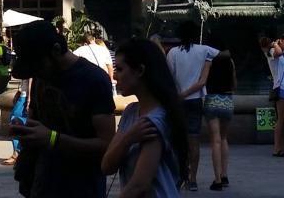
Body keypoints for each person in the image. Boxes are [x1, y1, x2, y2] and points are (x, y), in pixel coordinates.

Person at [8, 19, 115, 198]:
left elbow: (106, 144)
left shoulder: (93, 80)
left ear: (56, 50)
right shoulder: (41, 77)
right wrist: (24, 129)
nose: (35, 72)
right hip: (42, 183)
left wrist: (52, 138)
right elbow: (36, 121)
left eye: (37, 64)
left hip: (82, 187)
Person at [101, 37, 188, 198]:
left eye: (120, 69)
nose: (115, 77)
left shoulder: (154, 121)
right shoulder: (130, 112)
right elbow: (107, 166)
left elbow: (139, 185)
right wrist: (129, 138)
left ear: (140, 71)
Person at [166, 21, 221, 191]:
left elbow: (170, 76)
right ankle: (193, 179)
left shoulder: (173, 53)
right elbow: (222, 53)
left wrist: (179, 94)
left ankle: (179, 175)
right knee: (194, 140)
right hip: (195, 100)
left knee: (176, 140)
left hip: (178, 101)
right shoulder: (204, 50)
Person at [202, 47, 235, 191]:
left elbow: (202, 80)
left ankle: (217, 180)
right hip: (227, 100)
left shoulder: (209, 61)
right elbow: (234, 84)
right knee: (223, 138)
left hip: (212, 99)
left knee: (215, 140)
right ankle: (225, 175)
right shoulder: (231, 62)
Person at [268, 36, 284, 158]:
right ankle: (277, 149)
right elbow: (277, 52)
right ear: (281, 41)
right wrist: (275, 43)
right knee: (281, 121)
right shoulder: (273, 51)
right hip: (281, 88)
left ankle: (282, 146)